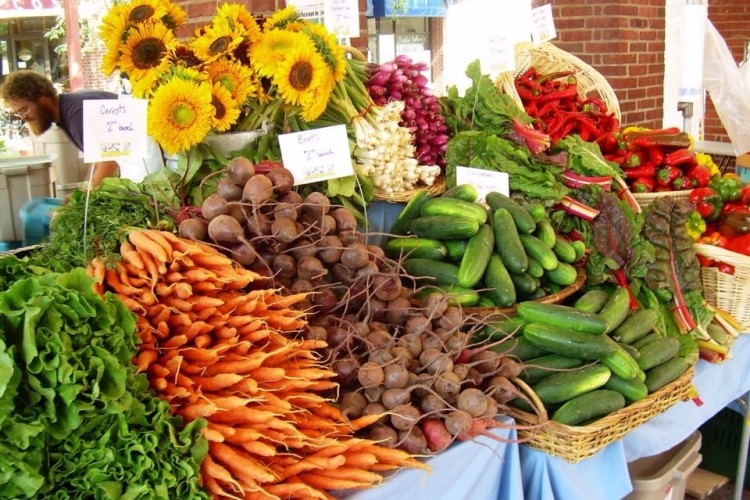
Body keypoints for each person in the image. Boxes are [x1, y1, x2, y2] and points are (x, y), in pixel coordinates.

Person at [0, 70, 162, 187]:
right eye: (17, 113)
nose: (22, 117)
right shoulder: (68, 109)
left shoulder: (77, 114)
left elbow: (109, 164)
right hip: (143, 173)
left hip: (150, 174)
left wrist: (79, 202)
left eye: (23, 110)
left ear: (41, 97)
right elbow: (101, 163)